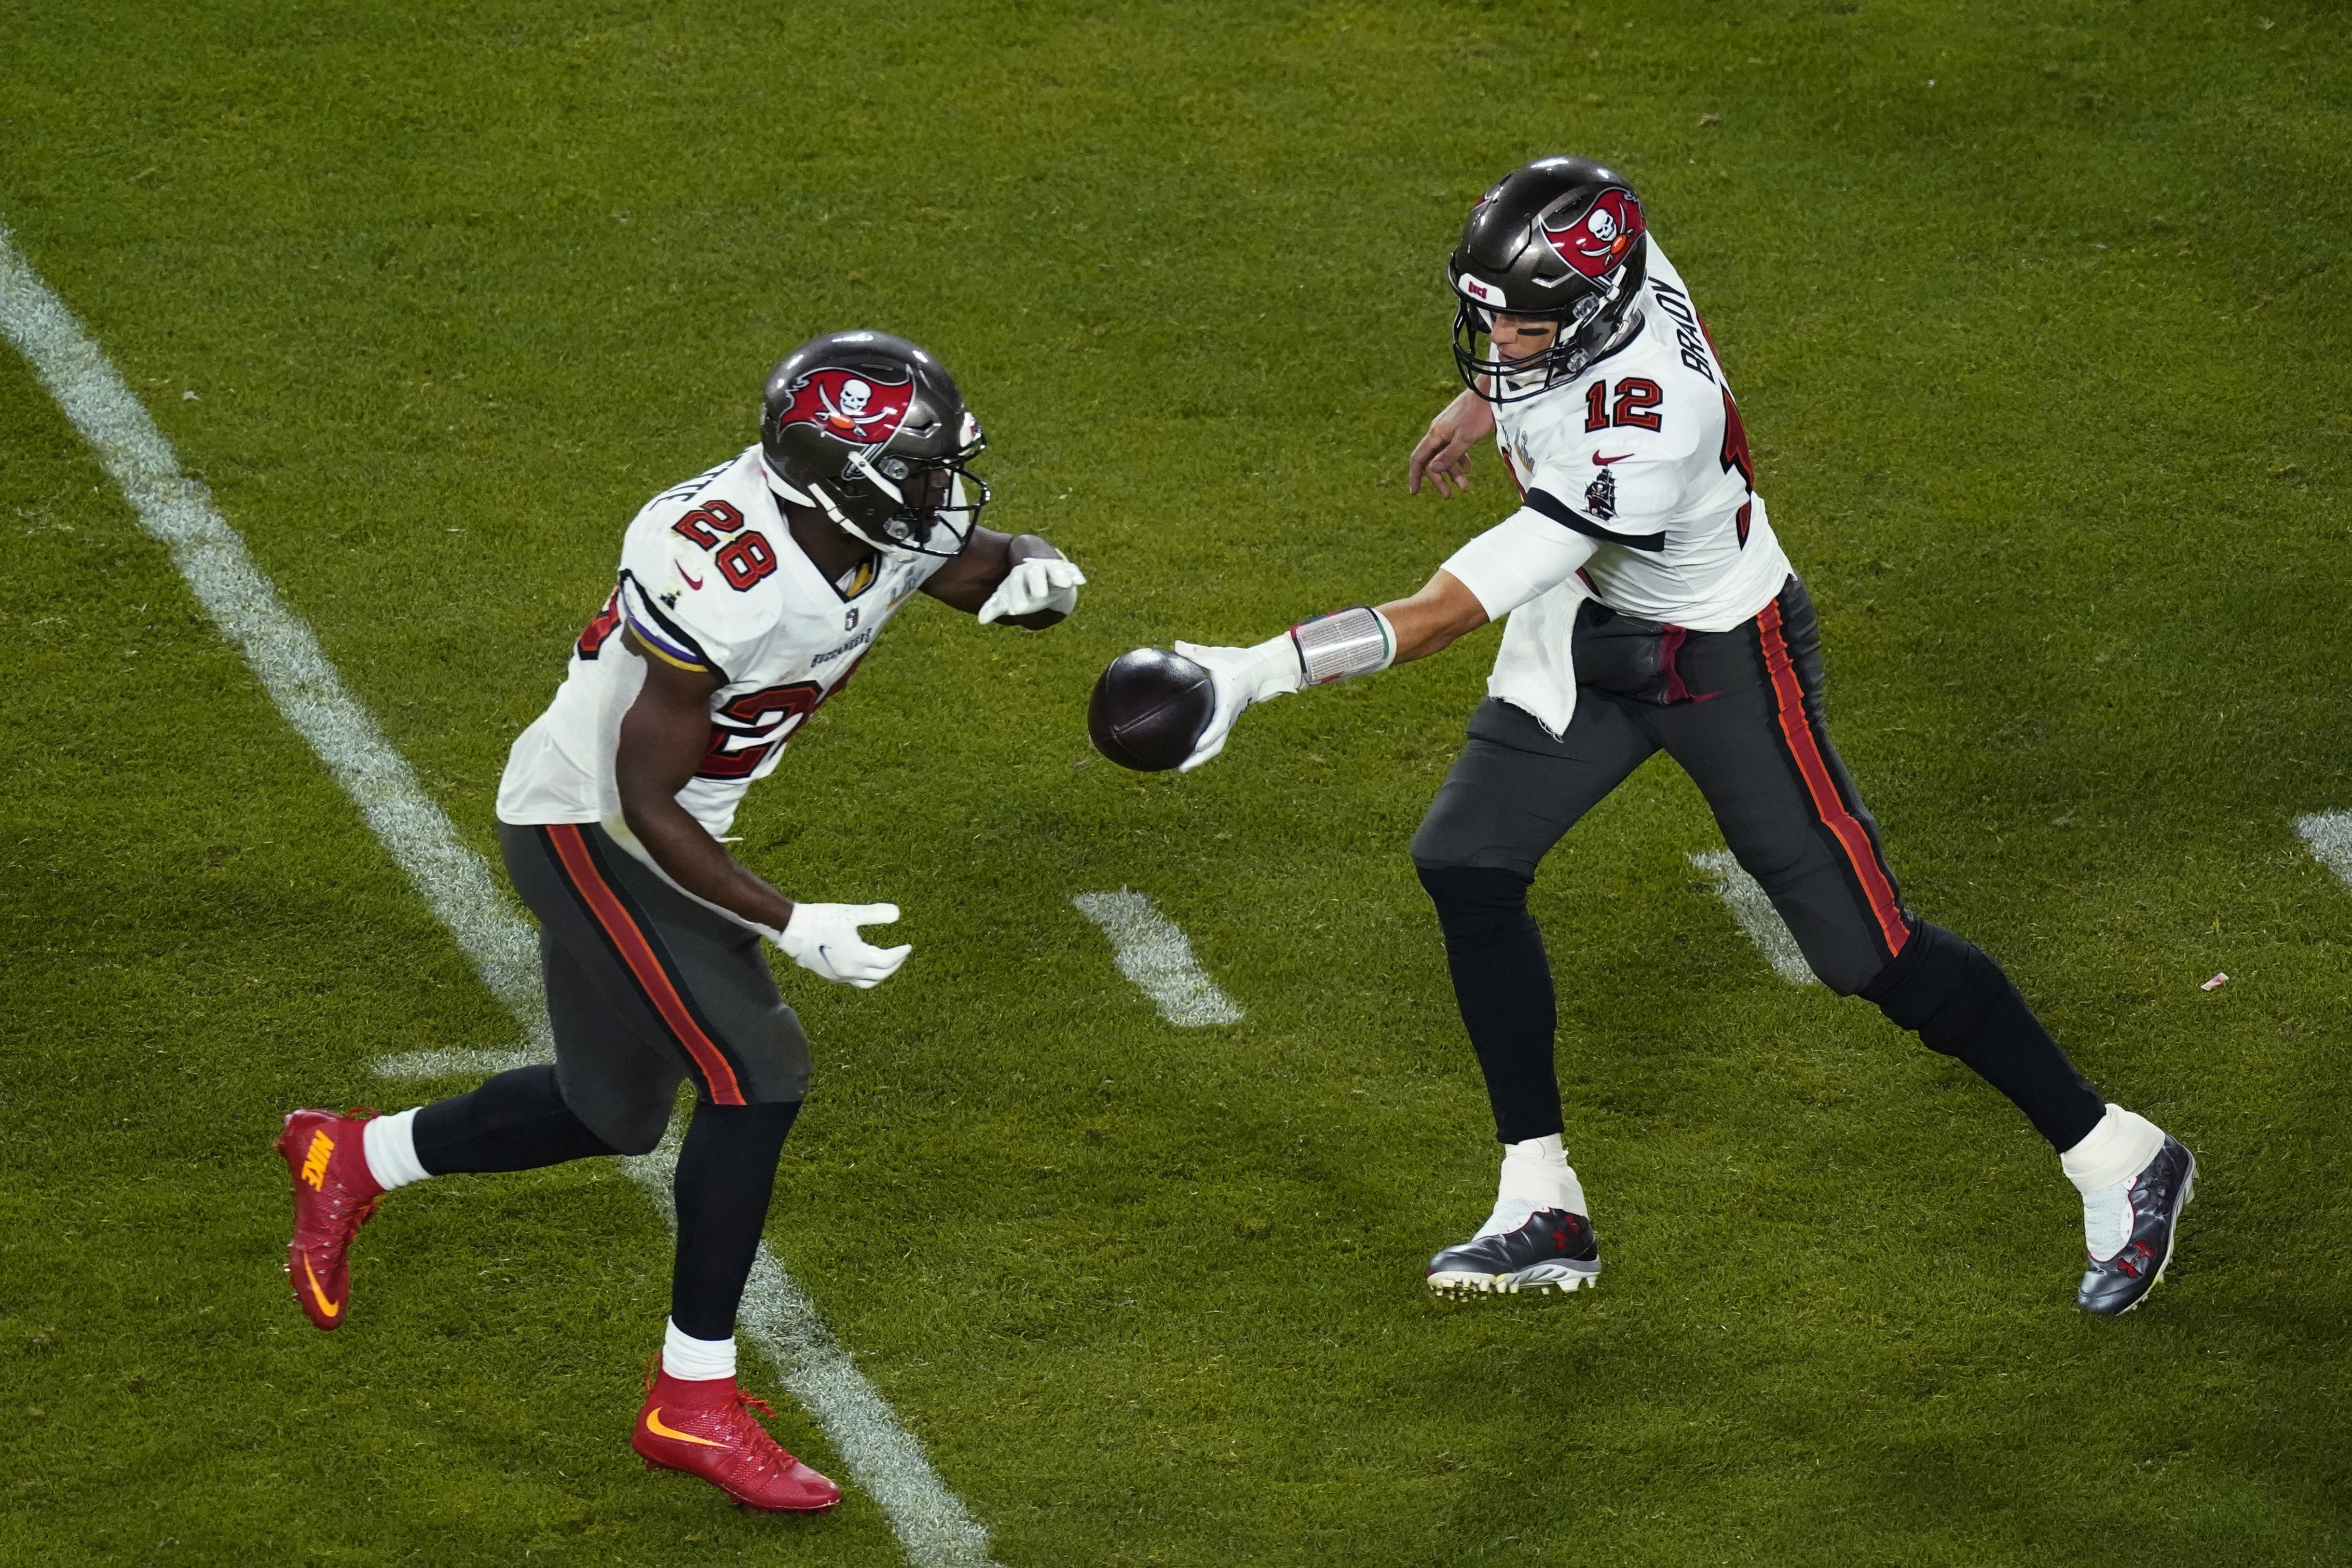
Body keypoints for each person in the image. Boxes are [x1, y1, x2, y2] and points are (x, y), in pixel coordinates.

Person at [1172, 157, 2191, 1315]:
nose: (1495, 340)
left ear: (1593, 319)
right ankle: (1540, 1201)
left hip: (1719, 661)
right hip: (1591, 631)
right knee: (1465, 860)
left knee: (1866, 954)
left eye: (1520, 328)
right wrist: (1480, 397)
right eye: (1484, 317)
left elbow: (1450, 607)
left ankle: (2115, 1152)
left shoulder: (1647, 428)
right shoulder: (1611, 266)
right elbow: (1547, 292)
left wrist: (1253, 672)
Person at [276, 330, 1086, 1511]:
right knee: (759, 1070)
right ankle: (688, 1400)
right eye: (914, 476)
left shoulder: (870, 519)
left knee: (608, 1113)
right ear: (829, 485)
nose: (940, 497)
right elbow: (644, 799)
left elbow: (974, 568)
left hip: (662, 820)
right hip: (590, 825)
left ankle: (352, 1155)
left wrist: (1036, 582)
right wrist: (790, 919)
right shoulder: (726, 568)